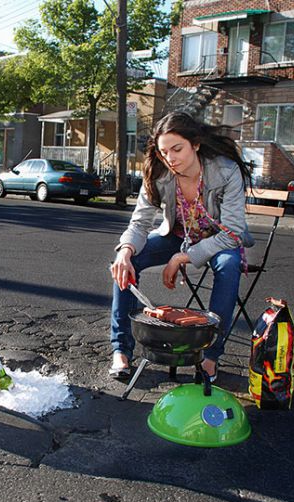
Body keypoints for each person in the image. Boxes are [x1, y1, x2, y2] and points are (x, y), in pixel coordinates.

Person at [109, 111, 254, 382]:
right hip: (177, 236)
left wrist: (181, 258)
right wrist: (126, 251)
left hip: (218, 241)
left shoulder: (225, 171)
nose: (170, 158)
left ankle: (210, 356)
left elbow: (233, 233)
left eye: (177, 149)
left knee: (229, 264)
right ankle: (121, 350)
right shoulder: (159, 173)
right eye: (164, 152)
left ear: (195, 144)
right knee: (124, 262)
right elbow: (140, 224)